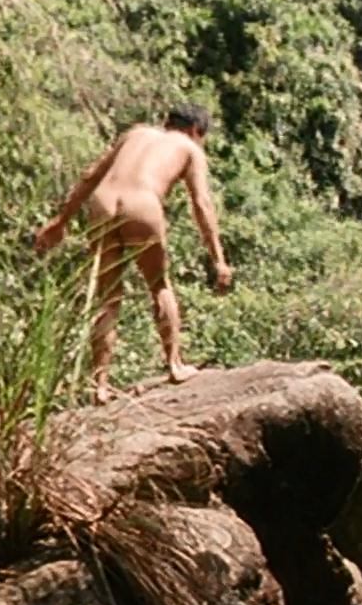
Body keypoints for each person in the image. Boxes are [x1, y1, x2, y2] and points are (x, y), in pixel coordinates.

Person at [34, 104, 233, 404]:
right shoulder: (189, 148)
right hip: (142, 204)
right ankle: (175, 365)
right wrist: (218, 259)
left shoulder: (136, 133)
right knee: (159, 286)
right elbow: (202, 204)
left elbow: (90, 176)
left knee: (108, 298)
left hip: (103, 204)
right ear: (195, 131)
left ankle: (99, 385)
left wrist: (60, 221)